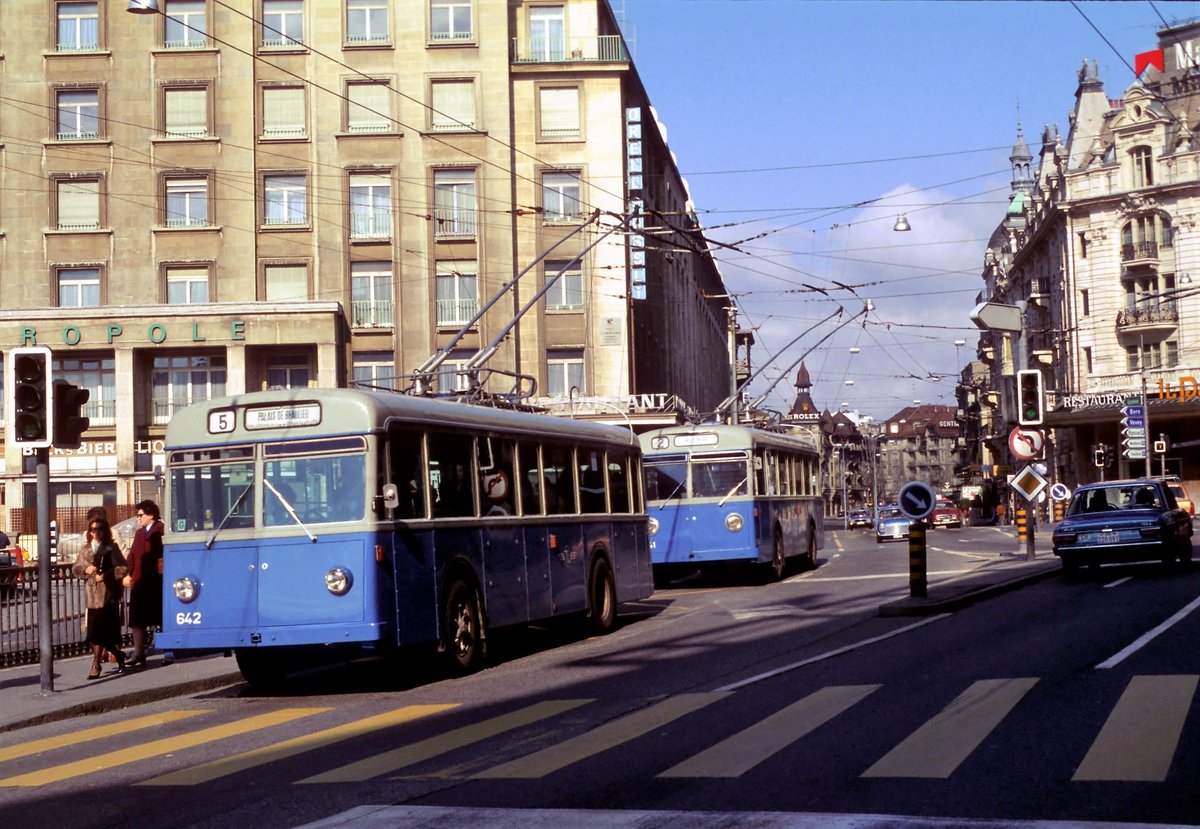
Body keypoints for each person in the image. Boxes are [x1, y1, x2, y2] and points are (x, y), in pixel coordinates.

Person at [71, 518, 127, 679]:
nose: (96, 532)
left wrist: (104, 577)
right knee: (95, 634)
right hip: (92, 598)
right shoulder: (85, 549)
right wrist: (85, 569)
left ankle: (96, 664)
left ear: (105, 531)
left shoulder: (111, 548)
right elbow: (75, 568)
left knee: (102, 633)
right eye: (93, 530)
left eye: (99, 529)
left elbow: (122, 568)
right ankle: (118, 655)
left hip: (108, 597)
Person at [123, 499, 163, 667]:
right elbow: (132, 556)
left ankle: (168, 652)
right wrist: (127, 574)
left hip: (155, 582)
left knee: (161, 617)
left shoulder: (160, 531)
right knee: (137, 620)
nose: (138, 518)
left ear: (151, 515)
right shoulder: (140, 534)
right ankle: (139, 652)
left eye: (140, 515)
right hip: (140, 582)